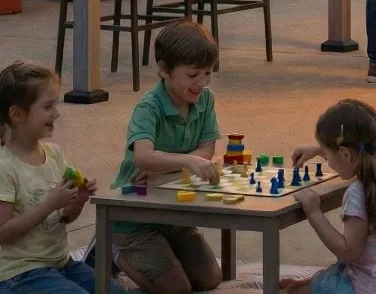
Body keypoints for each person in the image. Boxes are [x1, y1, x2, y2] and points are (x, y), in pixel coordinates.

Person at [110, 21, 222, 294]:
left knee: (210, 279)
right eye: (192, 74)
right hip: (134, 217)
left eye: (207, 73)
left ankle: (163, 250)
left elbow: (207, 149)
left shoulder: (205, 99)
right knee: (176, 289)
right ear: (163, 69)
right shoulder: (149, 107)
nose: (201, 83)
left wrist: (168, 166)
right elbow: (143, 157)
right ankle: (113, 252)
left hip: (172, 213)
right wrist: (188, 161)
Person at [0, 62, 125, 294]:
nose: (56, 113)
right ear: (16, 114)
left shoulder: (54, 155)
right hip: (19, 273)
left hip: (60, 263)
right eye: (47, 106)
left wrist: (78, 200)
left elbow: (63, 218)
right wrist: (49, 204)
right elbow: (3, 233)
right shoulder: (4, 166)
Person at [286, 99, 376, 294]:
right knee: (324, 278)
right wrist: (321, 149)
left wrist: (313, 211)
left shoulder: (359, 193)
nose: (328, 161)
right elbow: (355, 151)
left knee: (312, 286)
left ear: (345, 154)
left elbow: (348, 252)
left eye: (328, 155)